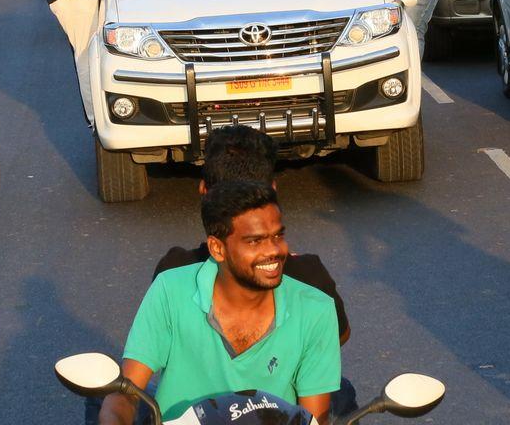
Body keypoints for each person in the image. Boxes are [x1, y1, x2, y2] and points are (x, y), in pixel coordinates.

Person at [100, 182, 340, 425]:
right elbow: (126, 392)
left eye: (278, 236)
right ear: (217, 248)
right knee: (100, 400)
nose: (274, 251)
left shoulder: (316, 309)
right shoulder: (169, 290)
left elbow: (314, 419)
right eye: (255, 241)